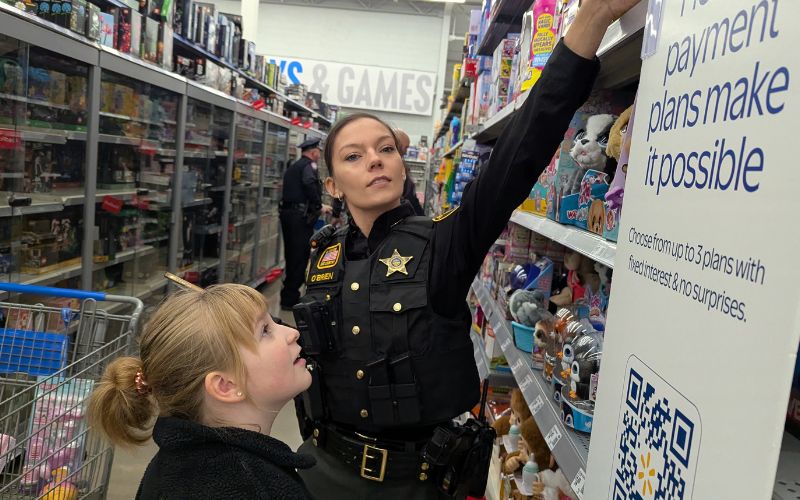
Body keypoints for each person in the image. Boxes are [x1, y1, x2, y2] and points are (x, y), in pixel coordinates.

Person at [292, 1, 639, 499]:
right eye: (354, 156)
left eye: (386, 149)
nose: (375, 160)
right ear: (332, 185)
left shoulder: (443, 241)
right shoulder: (323, 256)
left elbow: (521, 149)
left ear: (402, 164)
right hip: (321, 471)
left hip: (414, 485)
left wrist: (592, 20)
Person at [87, 284, 315, 499]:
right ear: (226, 385)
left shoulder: (176, 467)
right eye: (265, 330)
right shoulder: (244, 485)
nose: (291, 332)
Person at [280, 138, 332, 310]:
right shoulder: (309, 166)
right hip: (299, 218)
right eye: (318, 152)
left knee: (291, 254)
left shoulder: (294, 166)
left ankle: (289, 294)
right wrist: (318, 206)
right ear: (313, 152)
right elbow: (309, 184)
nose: (318, 155)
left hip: (288, 215)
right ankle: (290, 298)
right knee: (299, 255)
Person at [394, 129, 425, 216]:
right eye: (406, 147)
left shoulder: (401, 164)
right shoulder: (393, 166)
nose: (406, 152)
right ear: (398, 144)